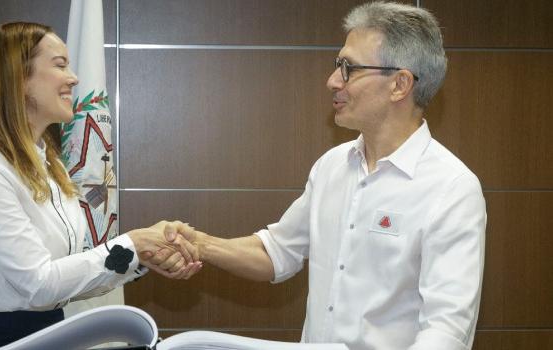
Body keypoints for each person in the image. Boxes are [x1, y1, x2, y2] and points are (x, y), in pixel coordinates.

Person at [168, 2, 486, 349]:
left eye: (349, 68)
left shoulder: (452, 189)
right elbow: (277, 253)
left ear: (400, 84)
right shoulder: (332, 166)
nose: (332, 81)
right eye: (338, 65)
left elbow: (446, 331)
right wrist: (200, 244)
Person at [0, 22, 201, 349]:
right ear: (18, 78)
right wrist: (134, 242)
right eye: (60, 65)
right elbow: (39, 285)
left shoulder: (51, 166)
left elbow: (66, 281)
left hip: (48, 332)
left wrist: (142, 256)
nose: (73, 78)